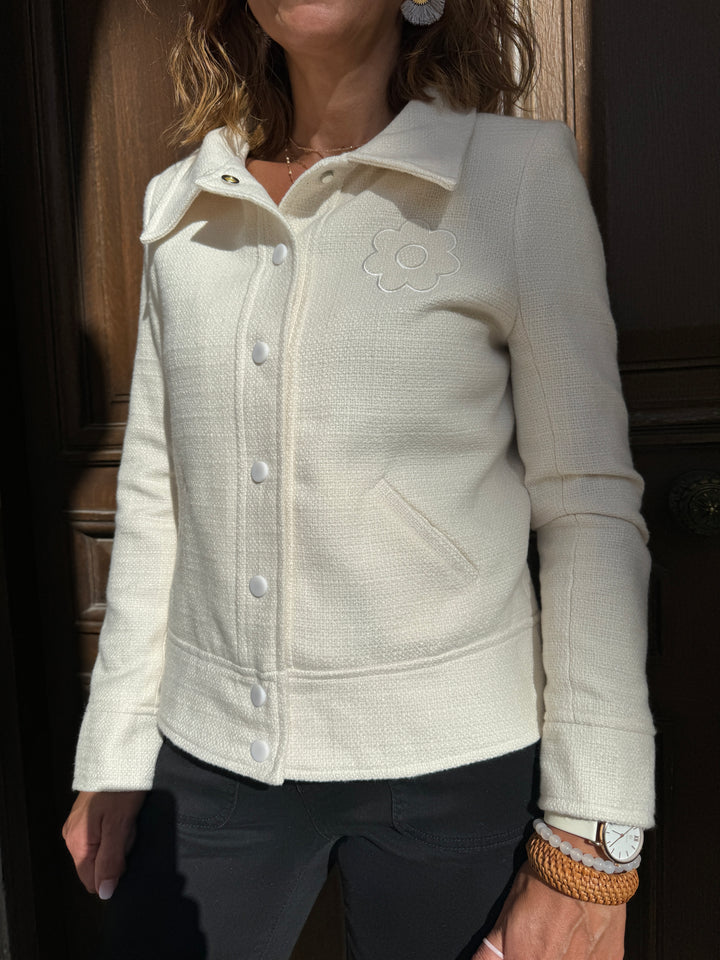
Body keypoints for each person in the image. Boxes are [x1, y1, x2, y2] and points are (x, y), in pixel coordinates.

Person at [62, 1, 656, 958]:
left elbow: (586, 499)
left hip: (457, 766)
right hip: (209, 759)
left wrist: (594, 837)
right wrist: (117, 749)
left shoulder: (514, 179)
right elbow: (156, 496)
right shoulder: (184, 202)